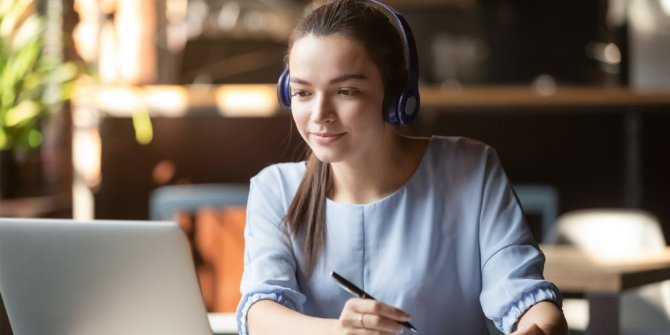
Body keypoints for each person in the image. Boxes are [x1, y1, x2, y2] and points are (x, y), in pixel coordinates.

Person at [236, 0, 567, 334]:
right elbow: (261, 313)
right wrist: (341, 332)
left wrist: (539, 327)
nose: (320, 113)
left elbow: (524, 295)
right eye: (303, 92)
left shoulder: (471, 170)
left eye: (346, 91)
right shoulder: (275, 189)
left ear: (397, 95)